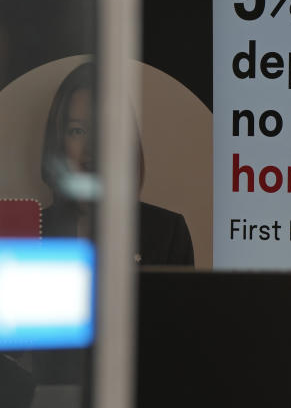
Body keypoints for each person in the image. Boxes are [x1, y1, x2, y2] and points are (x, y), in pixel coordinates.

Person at [40, 61, 194, 266]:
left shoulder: (167, 233)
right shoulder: (30, 232)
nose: (91, 148)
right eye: (77, 131)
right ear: (58, 142)